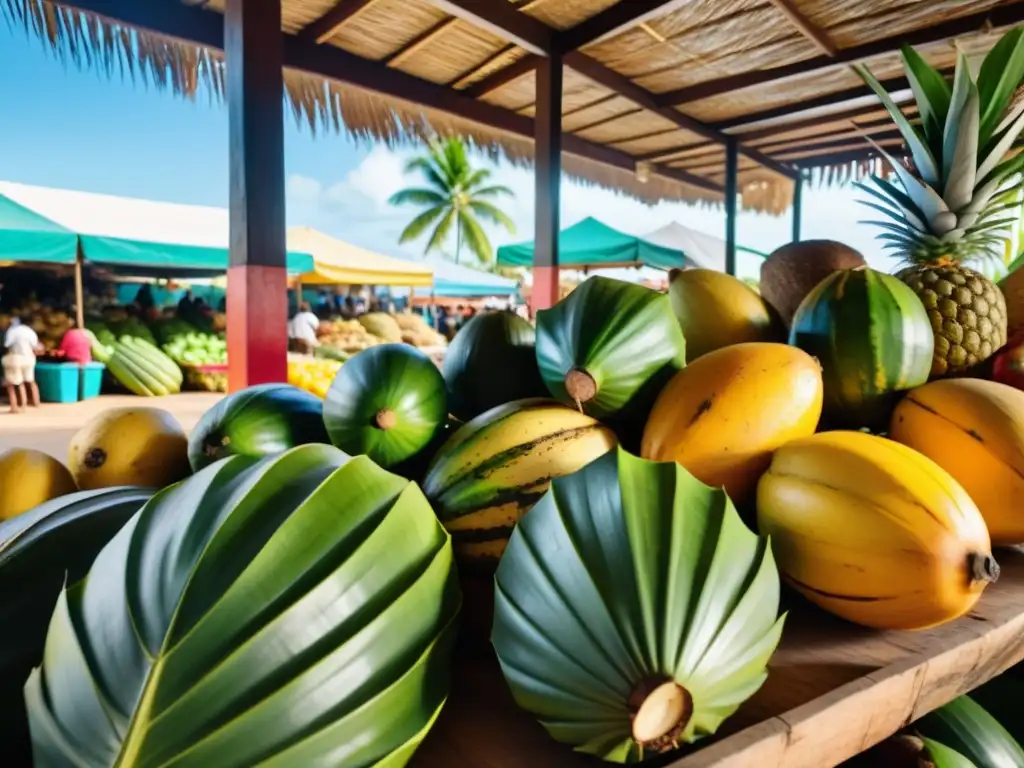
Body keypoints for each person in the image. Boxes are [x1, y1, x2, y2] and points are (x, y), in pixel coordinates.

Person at [3, 316, 41, 413]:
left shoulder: (12, 331)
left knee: (14, 383)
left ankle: (16, 406)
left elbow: (7, 344)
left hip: (16, 358)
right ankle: (36, 403)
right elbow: (35, 345)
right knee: (31, 381)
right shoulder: (30, 331)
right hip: (29, 357)